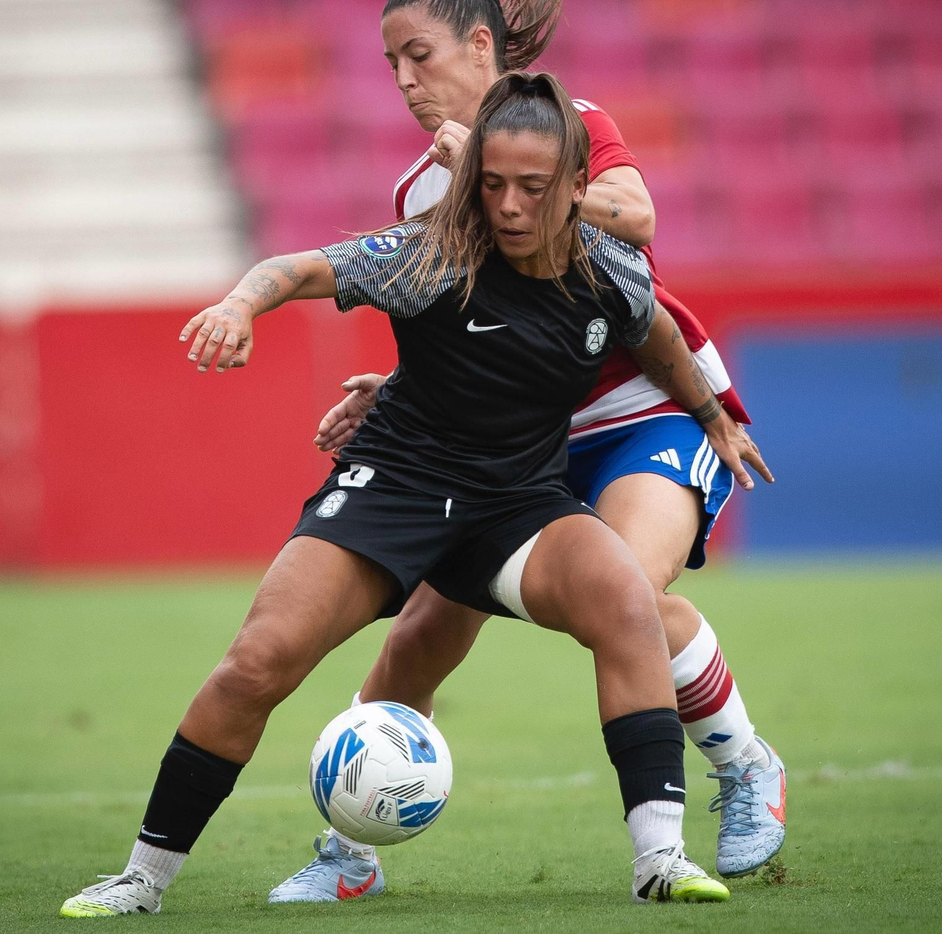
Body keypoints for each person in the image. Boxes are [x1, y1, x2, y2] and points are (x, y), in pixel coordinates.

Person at [61, 72, 768, 917]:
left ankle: (661, 859)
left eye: (531, 189)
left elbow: (654, 331)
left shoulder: (608, 269)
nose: (506, 205)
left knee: (625, 597)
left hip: (515, 507)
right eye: (491, 184)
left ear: (578, 189)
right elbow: (294, 269)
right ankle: (141, 878)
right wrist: (238, 304)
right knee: (261, 660)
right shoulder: (431, 254)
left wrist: (709, 414)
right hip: (394, 493)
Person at [269, 0, 785, 904]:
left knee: (624, 592)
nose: (405, 83)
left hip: (641, 414)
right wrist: (394, 387)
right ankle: (349, 852)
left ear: (479, 46)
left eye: (418, 55)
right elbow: (480, 335)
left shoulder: (575, 126)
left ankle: (745, 763)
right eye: (390, 66)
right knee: (421, 630)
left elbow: (635, 218)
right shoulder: (421, 194)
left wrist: (509, 172)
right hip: (515, 444)